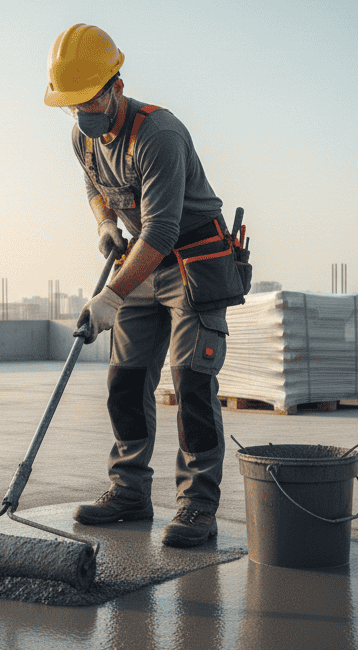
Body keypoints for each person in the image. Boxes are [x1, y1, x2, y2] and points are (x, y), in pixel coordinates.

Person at [44, 24, 245, 548]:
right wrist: (103, 223)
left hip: (192, 259)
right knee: (126, 380)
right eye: (73, 105)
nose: (83, 114)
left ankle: (198, 507)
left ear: (116, 86)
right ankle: (129, 491)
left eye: (90, 100)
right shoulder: (82, 134)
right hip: (139, 255)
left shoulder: (160, 135)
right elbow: (94, 183)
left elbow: (161, 231)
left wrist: (111, 295)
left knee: (191, 380)